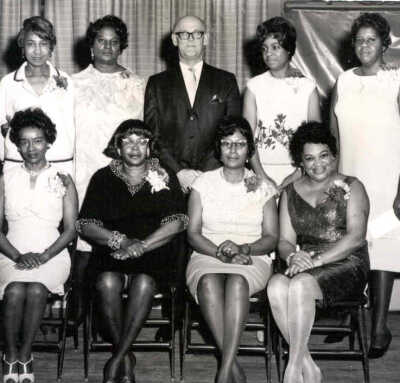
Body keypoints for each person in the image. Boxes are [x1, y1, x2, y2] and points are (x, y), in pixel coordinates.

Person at [76, 119, 187, 383]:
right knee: (107, 282)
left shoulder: (165, 176)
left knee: (144, 283)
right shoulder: (103, 178)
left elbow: (178, 222)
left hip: (154, 252)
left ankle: (115, 360)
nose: (135, 147)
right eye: (128, 141)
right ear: (118, 146)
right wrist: (123, 241)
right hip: (112, 250)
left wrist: (142, 246)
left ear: (150, 147)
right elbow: (85, 224)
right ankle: (126, 357)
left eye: (142, 141)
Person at [267, 122, 370, 383]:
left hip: (348, 262)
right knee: (275, 286)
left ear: (334, 156)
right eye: (309, 158)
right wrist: (293, 255)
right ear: (300, 162)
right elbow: (284, 241)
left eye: (324, 156)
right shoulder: (289, 193)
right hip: (307, 263)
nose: (318, 164)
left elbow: (356, 238)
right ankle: (309, 368)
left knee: (299, 285)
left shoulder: (353, 186)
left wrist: (316, 261)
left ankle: (292, 372)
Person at [186, 116, 278, 383]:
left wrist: (244, 249)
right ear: (219, 148)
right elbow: (193, 234)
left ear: (250, 149)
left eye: (240, 144)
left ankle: (224, 372)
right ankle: (232, 368)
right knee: (207, 282)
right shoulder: (203, 183)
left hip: (252, 256)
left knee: (237, 282)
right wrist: (219, 253)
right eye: (227, 143)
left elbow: (271, 237)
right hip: (207, 252)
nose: (233, 150)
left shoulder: (263, 187)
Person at [330, 13, 400, 358]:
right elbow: (332, 136)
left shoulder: (396, 81)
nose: (365, 45)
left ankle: (379, 326)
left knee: (383, 249)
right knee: (352, 245)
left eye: (372, 39)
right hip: (350, 178)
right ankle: (350, 314)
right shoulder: (343, 81)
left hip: (388, 178)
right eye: (359, 40)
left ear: (385, 44)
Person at [72, 15, 145, 323]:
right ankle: (78, 310)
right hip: (84, 172)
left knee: (117, 238)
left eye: (114, 42)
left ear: (122, 47)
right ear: (91, 45)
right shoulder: (72, 84)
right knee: (84, 240)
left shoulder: (136, 84)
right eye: (101, 41)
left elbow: (143, 134)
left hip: (124, 175)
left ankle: (112, 317)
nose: (107, 47)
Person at [0, 108, 78, 383]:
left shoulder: (63, 178)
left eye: (38, 141)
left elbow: (71, 230)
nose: (31, 148)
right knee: (13, 290)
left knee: (35, 289)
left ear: (48, 142)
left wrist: (43, 256)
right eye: (24, 141)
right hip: (10, 250)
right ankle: (10, 354)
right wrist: (17, 255)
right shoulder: (5, 177)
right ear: (16, 145)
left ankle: (25, 353)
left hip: (52, 252)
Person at [144, 15, 242, 193]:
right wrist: (179, 172)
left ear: (206, 39)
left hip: (215, 177)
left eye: (197, 34)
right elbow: (153, 135)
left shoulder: (226, 81)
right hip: (170, 179)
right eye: (184, 34)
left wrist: (205, 174)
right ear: (175, 39)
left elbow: (232, 132)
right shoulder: (156, 83)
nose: (190, 39)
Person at [243, 16, 321, 189]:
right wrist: (261, 176)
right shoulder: (254, 87)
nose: (268, 53)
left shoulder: (307, 87)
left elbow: (315, 139)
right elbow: (247, 137)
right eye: (264, 48)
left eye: (275, 47)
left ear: (289, 49)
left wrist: (296, 175)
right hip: (260, 169)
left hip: (299, 171)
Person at [0, 16, 75, 176]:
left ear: (51, 47)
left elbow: (73, 125)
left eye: (43, 44)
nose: (37, 51)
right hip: (17, 165)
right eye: (31, 44)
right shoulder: (8, 83)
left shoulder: (66, 81)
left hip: (60, 163)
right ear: (22, 47)